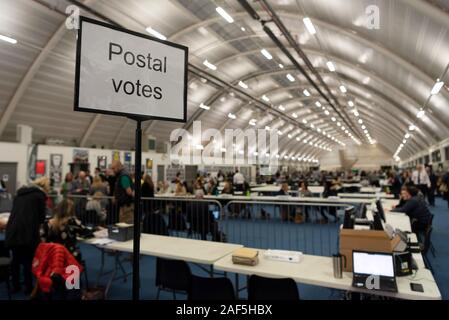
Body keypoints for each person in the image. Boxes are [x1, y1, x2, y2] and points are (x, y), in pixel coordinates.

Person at [5, 177, 49, 294]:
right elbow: (41, 218)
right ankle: (28, 287)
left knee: (15, 259)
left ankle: (15, 286)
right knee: (27, 261)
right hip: (28, 232)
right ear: (45, 187)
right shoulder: (39, 196)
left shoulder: (19, 194)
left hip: (13, 229)